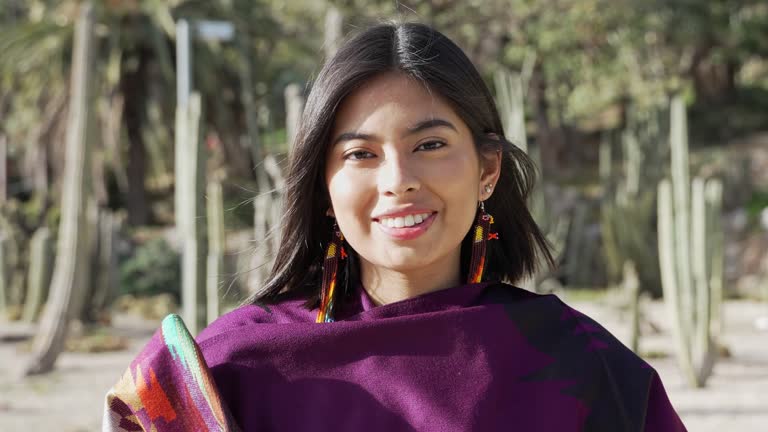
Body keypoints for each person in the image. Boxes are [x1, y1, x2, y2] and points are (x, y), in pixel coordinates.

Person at [103, 22, 687, 432]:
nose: (398, 180)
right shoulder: (231, 370)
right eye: (360, 154)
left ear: (487, 169)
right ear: (324, 188)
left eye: (429, 144)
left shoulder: (584, 368)